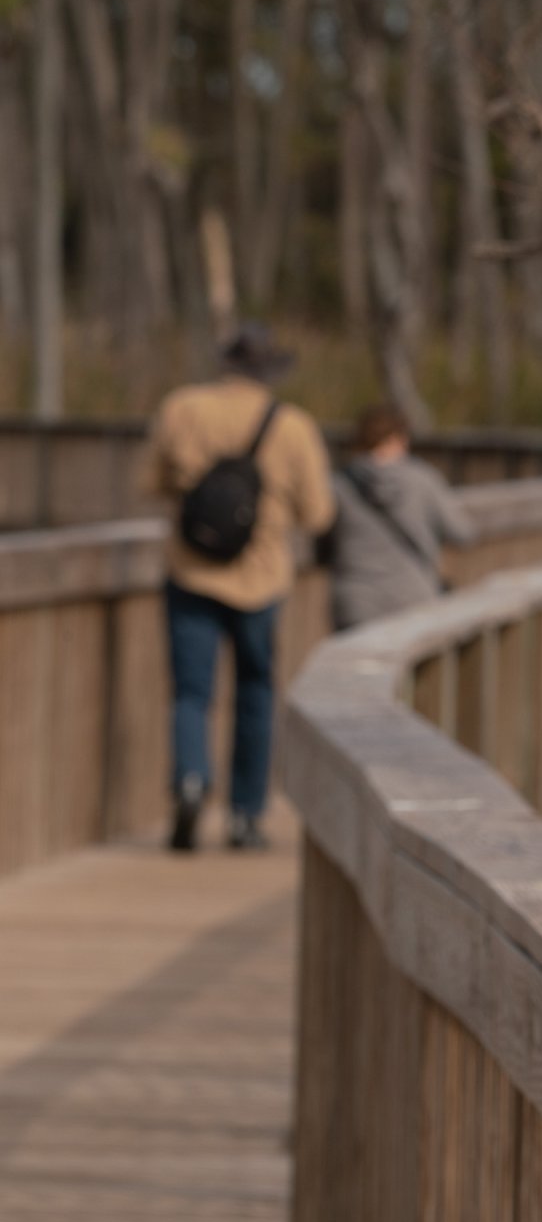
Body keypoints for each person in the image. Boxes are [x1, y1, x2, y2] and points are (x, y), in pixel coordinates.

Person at [144, 324, 335, 853]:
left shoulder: (181, 408)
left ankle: (189, 780)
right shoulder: (293, 426)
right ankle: (245, 817)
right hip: (261, 577)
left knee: (190, 691)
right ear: (270, 370)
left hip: (191, 570)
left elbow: (152, 482)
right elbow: (318, 513)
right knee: (254, 692)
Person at [325, 404, 473, 632]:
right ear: (399, 439)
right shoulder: (422, 479)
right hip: (413, 598)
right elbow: (463, 533)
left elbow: (322, 539)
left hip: (356, 602)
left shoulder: (339, 485)